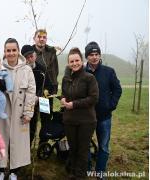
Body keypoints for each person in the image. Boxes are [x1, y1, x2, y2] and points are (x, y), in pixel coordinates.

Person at [0, 38, 36, 180]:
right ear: (4, 52)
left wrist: (28, 112)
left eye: (14, 50)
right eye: (8, 50)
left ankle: (14, 171)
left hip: (20, 112)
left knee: (18, 142)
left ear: (18, 51)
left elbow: (31, 93)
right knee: (0, 139)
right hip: (3, 112)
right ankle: (0, 170)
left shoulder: (27, 70)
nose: (11, 53)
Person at [85, 41, 122, 177]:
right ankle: (88, 169)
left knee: (104, 147)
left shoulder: (109, 71)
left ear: (100, 56)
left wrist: (110, 105)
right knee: (85, 146)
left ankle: (100, 172)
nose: (94, 57)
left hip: (104, 117)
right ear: (86, 57)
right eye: (91, 54)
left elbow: (117, 89)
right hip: (87, 118)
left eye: (97, 54)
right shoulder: (82, 72)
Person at [60, 47, 99, 179]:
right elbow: (63, 94)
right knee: (73, 148)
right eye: (72, 61)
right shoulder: (66, 79)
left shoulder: (89, 78)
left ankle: (80, 176)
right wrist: (63, 99)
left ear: (82, 61)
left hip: (86, 120)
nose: (74, 63)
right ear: (68, 63)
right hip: (70, 120)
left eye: (77, 60)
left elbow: (93, 98)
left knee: (83, 150)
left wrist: (74, 104)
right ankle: (72, 173)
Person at [32, 29, 59, 143]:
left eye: (44, 37)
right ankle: (28, 145)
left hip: (46, 94)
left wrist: (52, 86)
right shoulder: (30, 52)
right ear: (34, 38)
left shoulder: (51, 52)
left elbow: (55, 71)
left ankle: (43, 144)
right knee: (32, 119)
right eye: (39, 37)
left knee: (45, 118)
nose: (42, 39)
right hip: (33, 93)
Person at [21, 44, 46, 147]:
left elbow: (46, 85)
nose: (30, 59)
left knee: (43, 120)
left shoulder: (42, 69)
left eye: (31, 56)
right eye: (27, 57)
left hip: (40, 99)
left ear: (35, 55)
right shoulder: (21, 70)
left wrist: (39, 97)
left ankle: (41, 144)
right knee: (26, 125)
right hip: (26, 102)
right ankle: (23, 148)